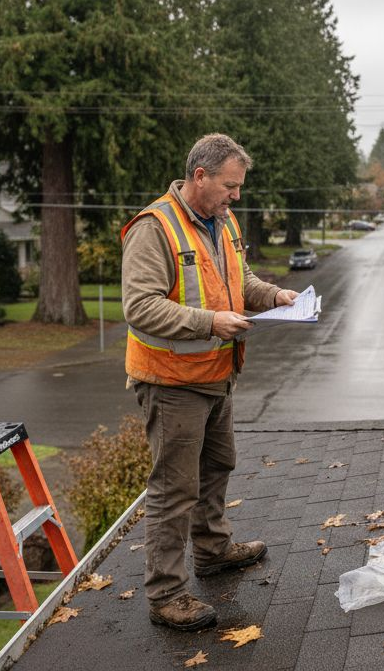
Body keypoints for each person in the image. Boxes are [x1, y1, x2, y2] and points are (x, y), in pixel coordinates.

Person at [121, 133, 298, 630]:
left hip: (217, 373)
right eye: (230, 185)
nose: (236, 196)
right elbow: (140, 307)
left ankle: (213, 550)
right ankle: (166, 594)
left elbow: (240, 284)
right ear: (200, 177)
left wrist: (277, 296)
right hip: (171, 380)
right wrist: (210, 322)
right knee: (174, 488)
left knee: (218, 465)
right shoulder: (154, 228)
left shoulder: (222, 222)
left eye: (238, 187)